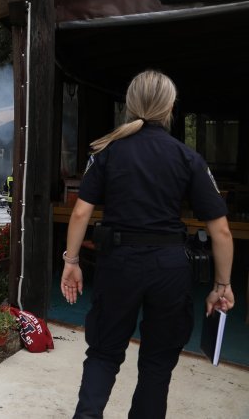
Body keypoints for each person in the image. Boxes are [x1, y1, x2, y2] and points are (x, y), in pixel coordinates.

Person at [61, 70, 235, 418]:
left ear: (130, 105)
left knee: (104, 353)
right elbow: (222, 232)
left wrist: (72, 261)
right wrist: (222, 285)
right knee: (157, 363)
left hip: (119, 263)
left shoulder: (107, 151)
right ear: (170, 106)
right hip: (169, 268)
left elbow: (81, 213)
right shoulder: (188, 158)